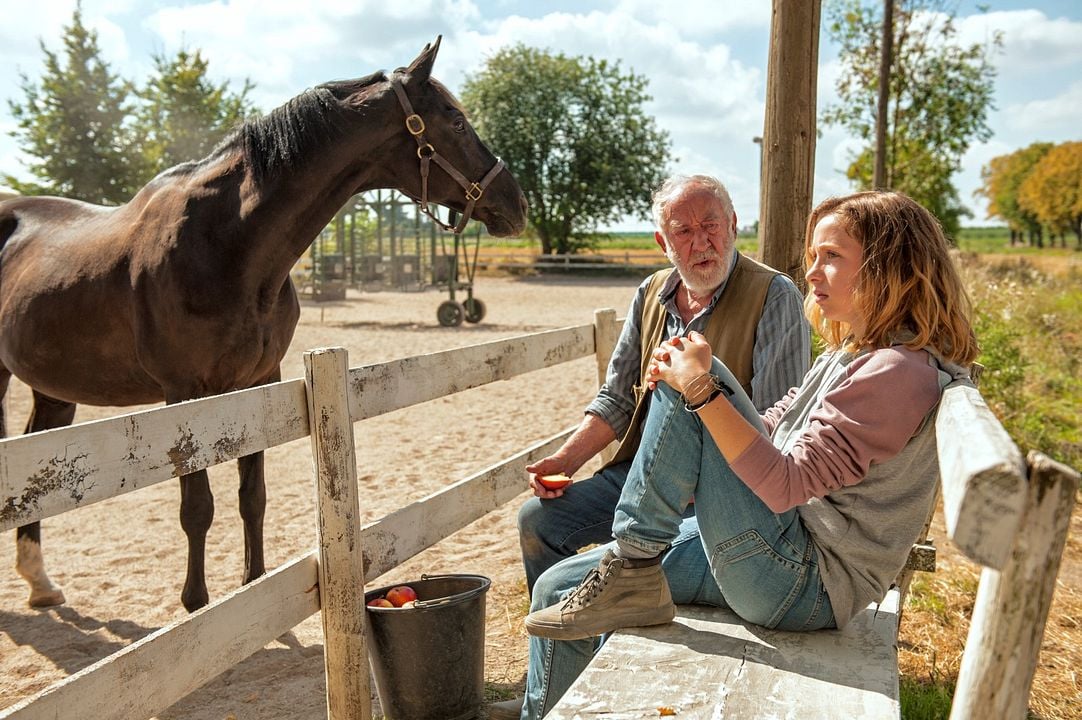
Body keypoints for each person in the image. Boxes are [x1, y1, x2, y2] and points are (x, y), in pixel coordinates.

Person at [517, 190, 980, 718]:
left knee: (692, 376)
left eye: (832, 257)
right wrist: (689, 390)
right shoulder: (855, 352)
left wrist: (694, 391)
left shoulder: (896, 371)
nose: (812, 274)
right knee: (558, 586)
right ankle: (559, 689)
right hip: (782, 548)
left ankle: (633, 561)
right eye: (813, 258)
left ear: (889, 266)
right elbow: (767, 428)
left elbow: (785, 483)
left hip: (805, 580)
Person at [489, 174, 809, 720]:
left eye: (711, 224)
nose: (700, 241)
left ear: (734, 226)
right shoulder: (651, 293)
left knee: (618, 554)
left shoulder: (774, 294)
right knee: (538, 519)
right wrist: (565, 460)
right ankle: (568, 666)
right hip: (640, 474)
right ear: (662, 242)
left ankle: (598, 646)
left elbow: (775, 426)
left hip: (720, 491)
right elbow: (616, 398)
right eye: (682, 230)